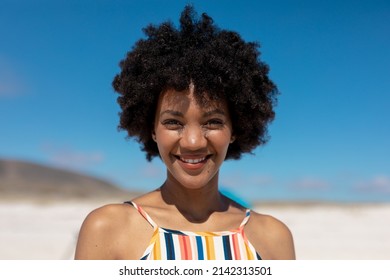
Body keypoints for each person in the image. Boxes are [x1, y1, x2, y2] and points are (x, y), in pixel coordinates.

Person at [74, 5, 295, 260]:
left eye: (212, 122)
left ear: (235, 129)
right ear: (152, 129)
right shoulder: (108, 229)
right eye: (173, 122)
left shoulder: (273, 238)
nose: (192, 142)